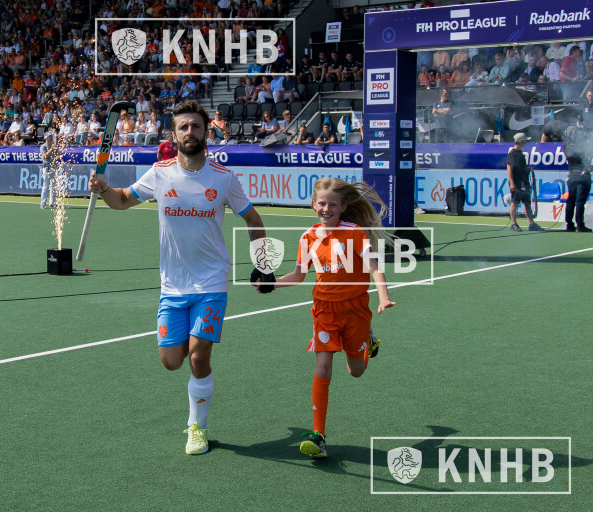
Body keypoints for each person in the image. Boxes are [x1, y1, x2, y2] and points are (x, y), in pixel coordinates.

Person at [88, 100, 268, 455]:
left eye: (196, 126)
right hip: (172, 286)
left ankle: (197, 427)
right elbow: (122, 200)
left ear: (206, 132)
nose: (190, 132)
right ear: (174, 134)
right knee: (171, 362)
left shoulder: (223, 177)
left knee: (199, 358)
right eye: (183, 127)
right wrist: (104, 189)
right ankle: (193, 342)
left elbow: (253, 219)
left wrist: (263, 263)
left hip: (212, 282)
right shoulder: (160, 173)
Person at [254, 178, 395, 458]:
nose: (326, 209)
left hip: (355, 310)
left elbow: (373, 266)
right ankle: (318, 435)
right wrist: (271, 284)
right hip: (324, 311)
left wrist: (383, 296)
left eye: (332, 204)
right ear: (313, 205)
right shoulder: (308, 237)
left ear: (343, 207)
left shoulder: (355, 233)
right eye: (321, 203)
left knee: (356, 371)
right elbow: (298, 276)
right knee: (322, 365)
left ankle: (366, 339)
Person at [507, 133, 544, 232]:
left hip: (524, 182)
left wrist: (527, 169)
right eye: (525, 141)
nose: (526, 142)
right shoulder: (512, 154)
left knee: (527, 203)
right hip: (517, 183)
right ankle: (514, 224)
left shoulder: (520, 152)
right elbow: (509, 168)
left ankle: (531, 224)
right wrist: (512, 183)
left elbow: (520, 167)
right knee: (515, 203)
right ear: (521, 142)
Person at [563, 126, 593, 232]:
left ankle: (569, 224)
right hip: (582, 177)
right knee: (580, 202)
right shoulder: (581, 147)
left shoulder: (566, 147)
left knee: (570, 201)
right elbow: (587, 163)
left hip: (572, 176)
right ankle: (580, 225)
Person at [40, 132, 58, 208]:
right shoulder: (43, 146)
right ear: (46, 138)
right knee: (46, 186)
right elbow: (45, 156)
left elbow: (57, 155)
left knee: (53, 186)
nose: (51, 138)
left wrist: (57, 150)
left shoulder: (53, 146)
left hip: (53, 166)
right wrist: (51, 149)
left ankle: (52, 202)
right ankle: (43, 203)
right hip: (47, 167)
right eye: (50, 137)